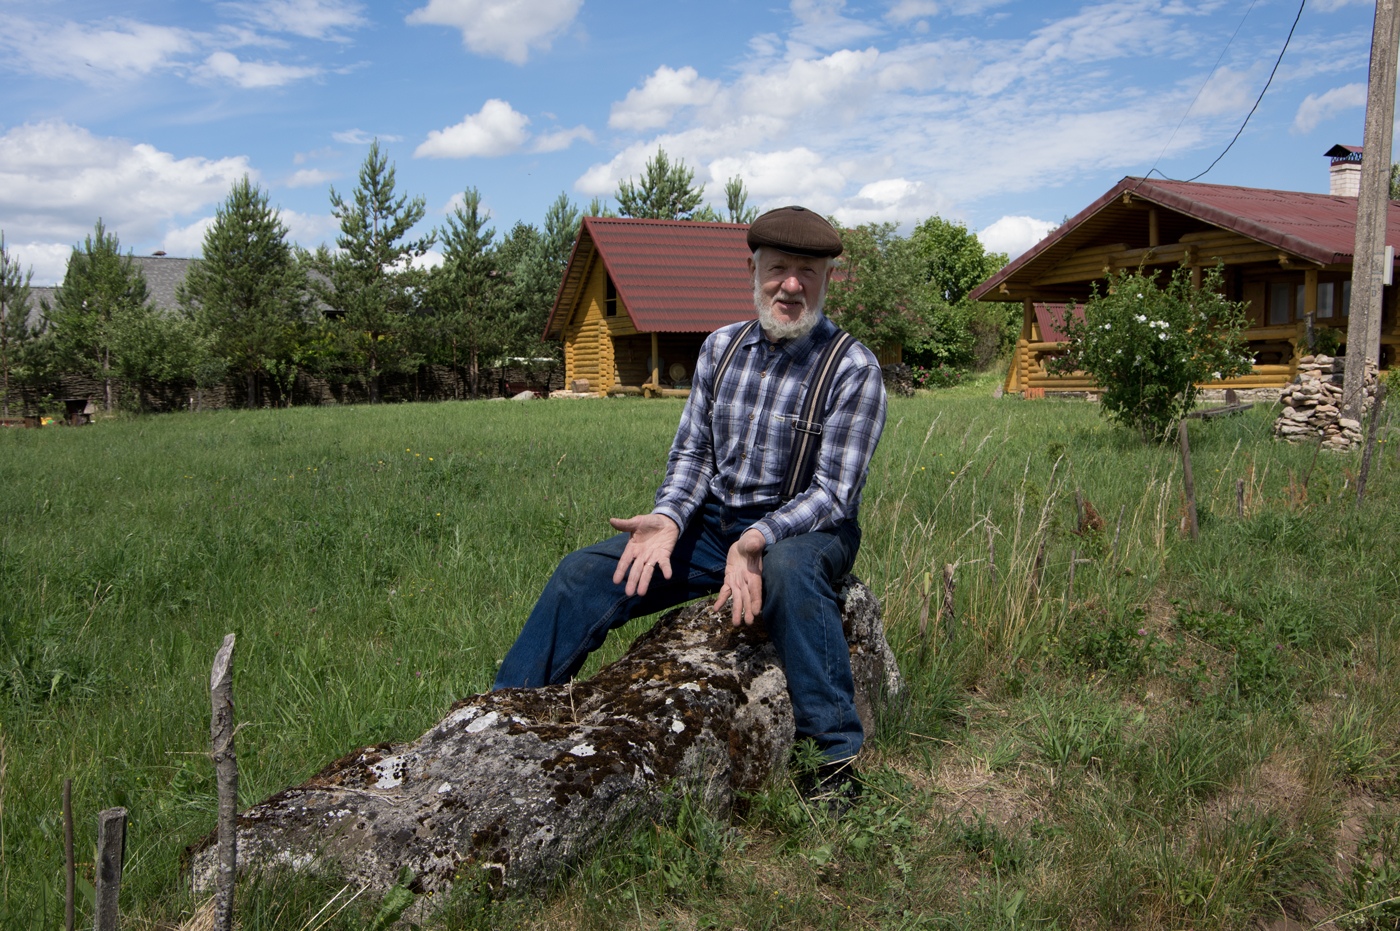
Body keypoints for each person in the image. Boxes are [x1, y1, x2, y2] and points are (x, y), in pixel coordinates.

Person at [494, 205, 887, 798]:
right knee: (581, 575)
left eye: (807, 271)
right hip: (712, 528)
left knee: (788, 567)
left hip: (809, 530)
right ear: (753, 270)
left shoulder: (852, 368)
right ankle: (504, 719)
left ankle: (831, 764)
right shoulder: (720, 349)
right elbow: (693, 458)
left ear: (828, 279)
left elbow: (834, 492)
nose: (791, 284)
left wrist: (758, 539)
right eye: (778, 268)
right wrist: (670, 518)